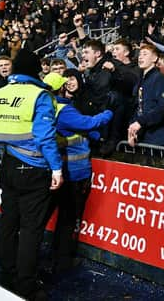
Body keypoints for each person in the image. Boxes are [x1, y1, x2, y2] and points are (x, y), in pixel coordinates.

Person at [0, 49, 63, 300]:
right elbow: (45, 136)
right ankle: (26, 283)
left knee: (8, 220)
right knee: (31, 228)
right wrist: (56, 167)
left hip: (6, 164)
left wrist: (8, 152)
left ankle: (6, 270)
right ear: (35, 70)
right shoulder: (40, 95)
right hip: (34, 168)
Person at [42, 72, 113, 273]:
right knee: (67, 219)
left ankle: (47, 254)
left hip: (55, 170)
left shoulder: (47, 107)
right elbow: (88, 123)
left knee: (49, 215)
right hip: (75, 172)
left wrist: (93, 135)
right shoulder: (64, 110)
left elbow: (77, 130)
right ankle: (62, 260)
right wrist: (108, 113)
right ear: (61, 88)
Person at [127, 45, 164, 146]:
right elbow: (137, 107)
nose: (140, 57)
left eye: (145, 54)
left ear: (155, 58)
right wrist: (132, 128)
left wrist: (140, 122)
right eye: (140, 54)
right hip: (142, 135)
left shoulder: (159, 78)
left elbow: (162, 108)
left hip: (157, 138)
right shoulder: (141, 80)